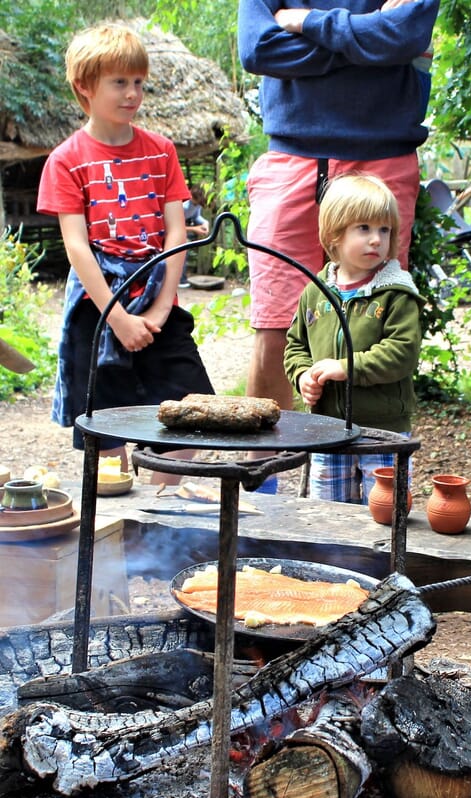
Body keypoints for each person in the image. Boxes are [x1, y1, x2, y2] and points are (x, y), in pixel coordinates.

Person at [237, 0, 439, 489]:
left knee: (376, 322)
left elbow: (405, 36)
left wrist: (306, 23)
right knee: (274, 330)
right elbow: (258, 47)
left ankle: (369, 492)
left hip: (381, 161)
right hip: (292, 157)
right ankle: (258, 492)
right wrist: (365, 44)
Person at [37, 23, 214, 484]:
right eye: (120, 82)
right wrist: (116, 318)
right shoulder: (66, 160)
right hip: (97, 306)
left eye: (138, 82)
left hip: (158, 296)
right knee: (105, 423)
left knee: (189, 413)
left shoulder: (160, 152)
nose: (133, 93)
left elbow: (178, 231)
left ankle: (162, 512)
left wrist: (160, 307)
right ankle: (119, 527)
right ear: (85, 87)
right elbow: (76, 246)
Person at [283, 174, 423, 503]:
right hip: (327, 428)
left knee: (385, 513)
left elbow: (401, 353)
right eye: (364, 228)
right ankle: (332, 557)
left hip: (383, 429)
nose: (376, 239)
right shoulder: (315, 293)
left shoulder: (396, 293)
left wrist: (347, 367)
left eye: (384, 230)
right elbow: (295, 346)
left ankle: (382, 557)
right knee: (329, 513)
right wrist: (303, 374)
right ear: (334, 235)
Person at [179, 184, 210, 289]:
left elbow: (197, 217)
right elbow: (175, 226)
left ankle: (182, 279)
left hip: (183, 229)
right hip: (173, 231)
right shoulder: (183, 206)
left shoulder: (196, 205)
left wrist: (205, 223)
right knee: (182, 251)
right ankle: (180, 280)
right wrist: (195, 229)